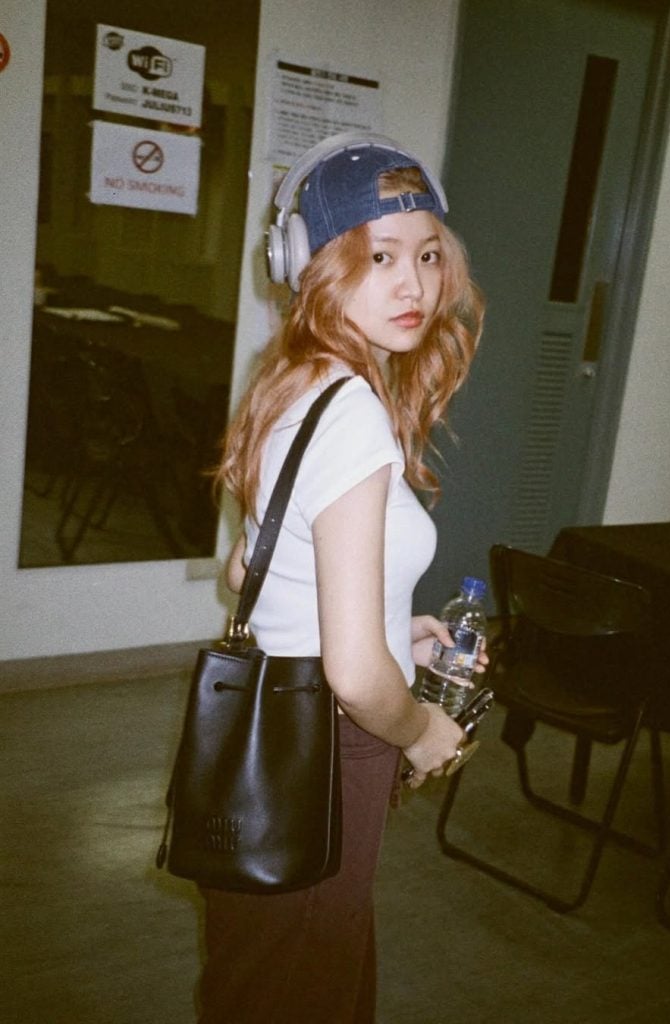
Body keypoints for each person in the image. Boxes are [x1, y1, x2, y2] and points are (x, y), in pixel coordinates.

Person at [199, 133, 485, 1024]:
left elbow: (248, 565)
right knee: (308, 985)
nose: (413, 286)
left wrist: (393, 629)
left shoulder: (294, 381)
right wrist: (423, 731)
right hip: (330, 744)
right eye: (378, 257)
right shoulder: (352, 412)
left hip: (273, 727)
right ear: (311, 267)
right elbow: (355, 676)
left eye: (427, 255)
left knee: (262, 972)